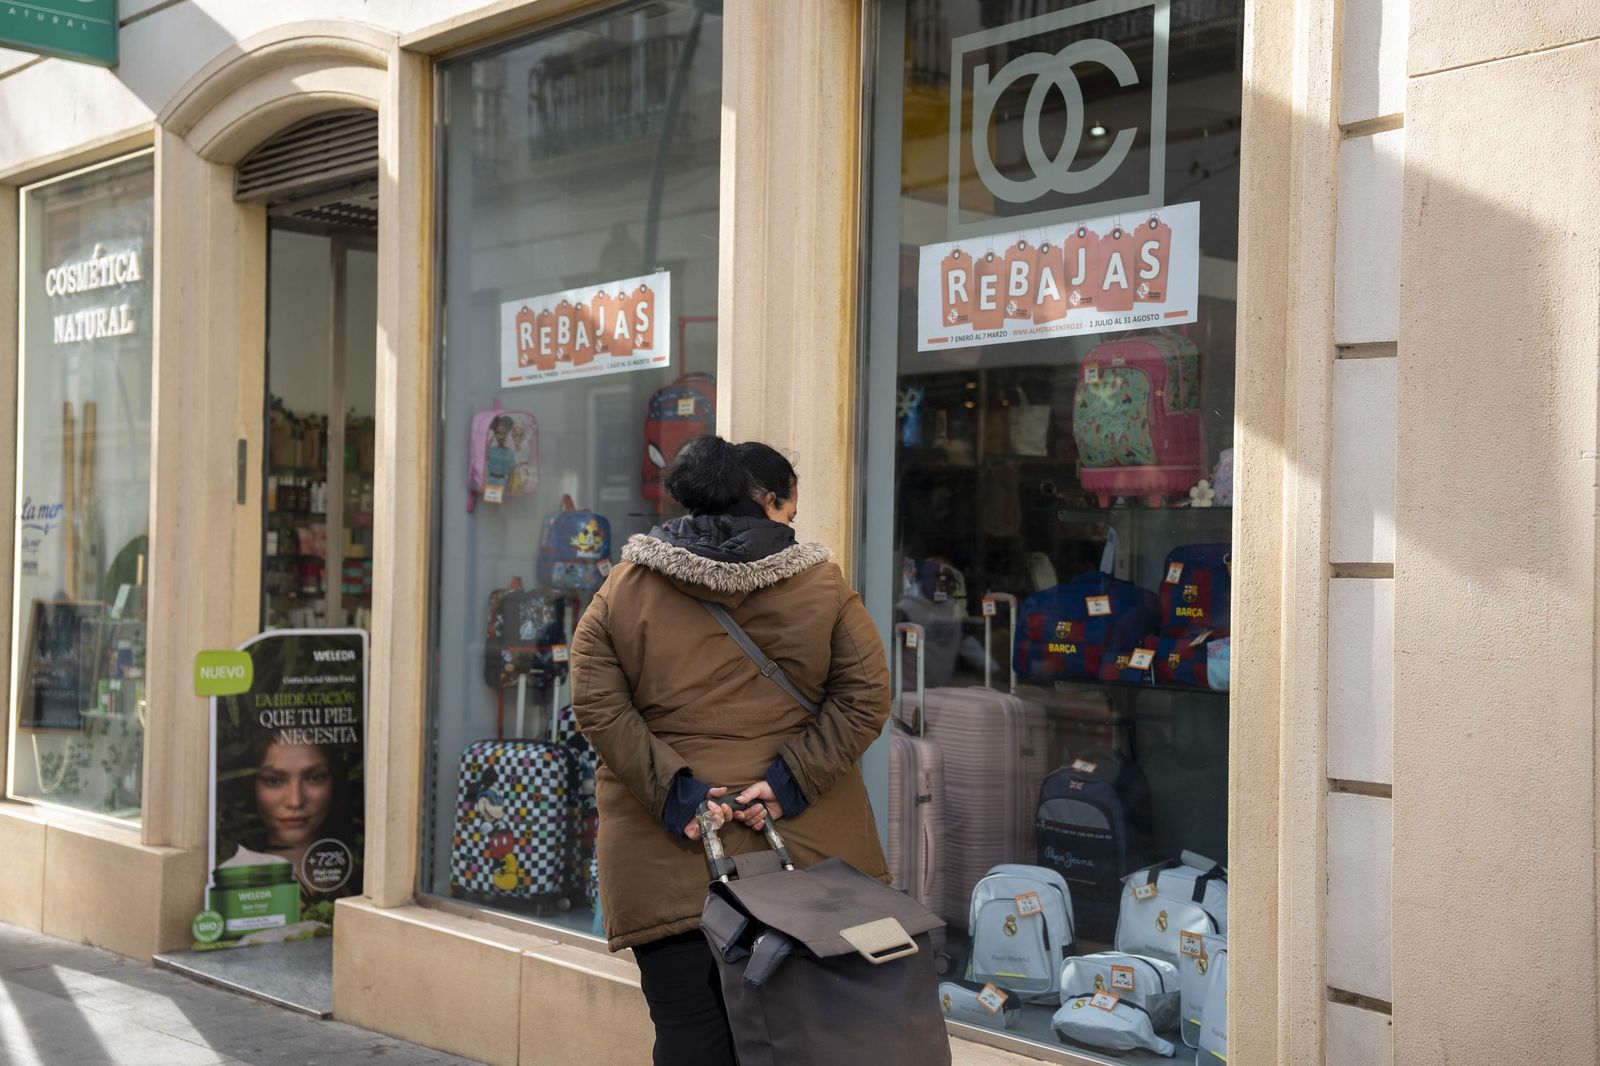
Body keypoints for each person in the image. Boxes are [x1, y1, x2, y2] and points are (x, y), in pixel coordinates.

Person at [571, 435, 890, 1066]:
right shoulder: (821, 586)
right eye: (791, 512)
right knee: (807, 1036)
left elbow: (597, 705)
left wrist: (678, 793)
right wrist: (789, 779)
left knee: (690, 1033)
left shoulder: (625, 586)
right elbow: (865, 695)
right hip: (804, 852)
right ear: (768, 502)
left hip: (670, 855)